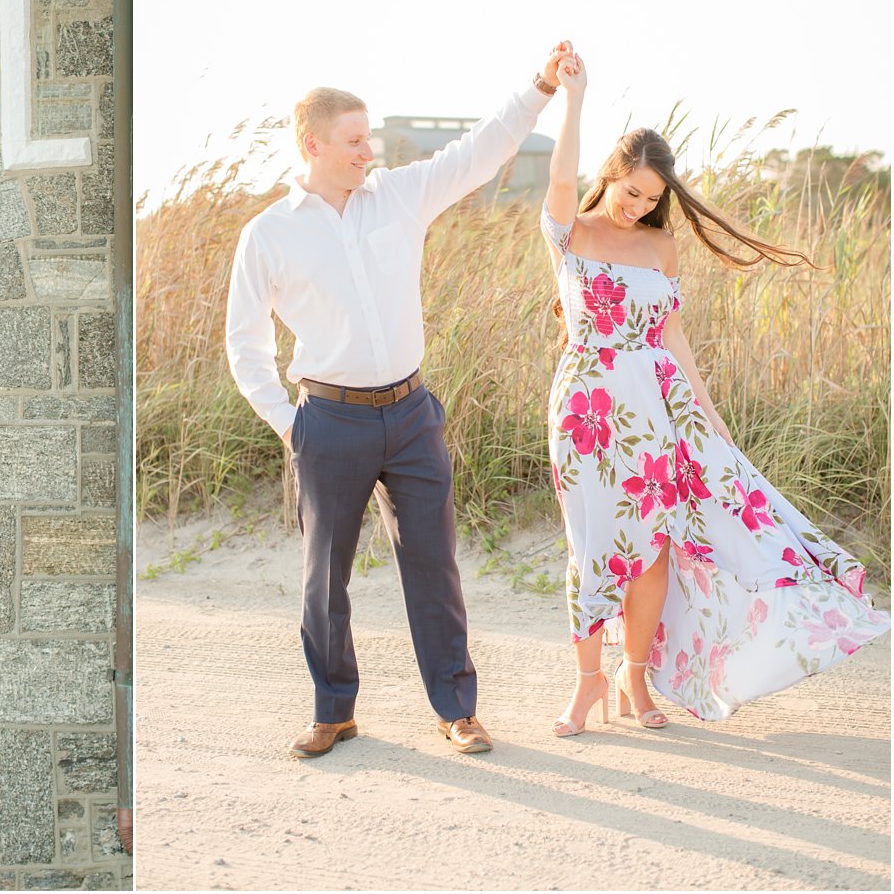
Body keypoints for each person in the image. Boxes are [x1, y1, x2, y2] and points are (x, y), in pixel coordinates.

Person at [226, 43, 573, 757]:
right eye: (355, 141)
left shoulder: (402, 193)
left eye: (370, 137)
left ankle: (457, 707)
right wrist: (290, 424)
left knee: (435, 568)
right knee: (324, 576)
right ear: (312, 144)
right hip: (327, 420)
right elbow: (244, 344)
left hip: (413, 415)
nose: (369, 151)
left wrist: (542, 85)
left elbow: (483, 150)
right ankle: (334, 710)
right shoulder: (269, 234)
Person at [542, 52, 890, 736]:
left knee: (653, 548)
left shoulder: (663, 247)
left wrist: (710, 413)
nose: (638, 205)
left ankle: (634, 678)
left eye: (649, 198)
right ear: (610, 172)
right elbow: (558, 177)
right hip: (586, 408)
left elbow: (673, 335)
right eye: (630, 191)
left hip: (658, 409)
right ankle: (585, 685)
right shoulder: (569, 232)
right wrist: (574, 98)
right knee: (594, 545)